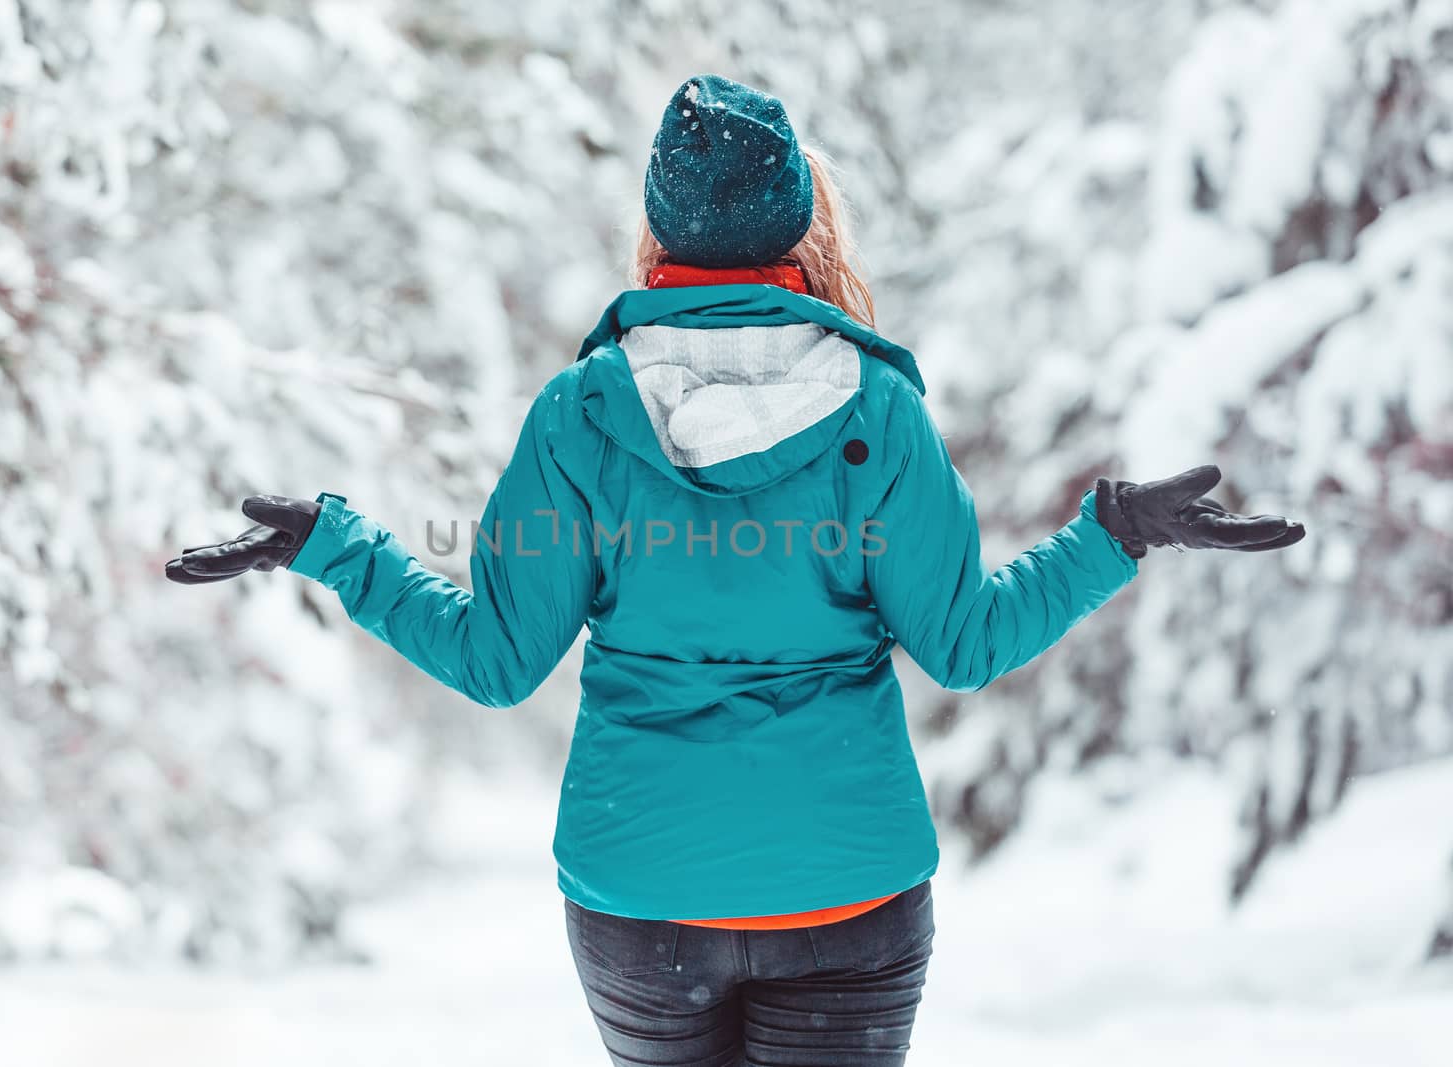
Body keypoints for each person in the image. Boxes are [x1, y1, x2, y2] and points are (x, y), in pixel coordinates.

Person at [166, 73, 1305, 1067]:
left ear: (657, 233)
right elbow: (966, 644)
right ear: (801, 228)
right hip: (847, 887)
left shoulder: (579, 417)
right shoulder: (879, 413)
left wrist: (338, 546)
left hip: (642, 894)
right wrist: (1111, 536)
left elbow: (496, 662)